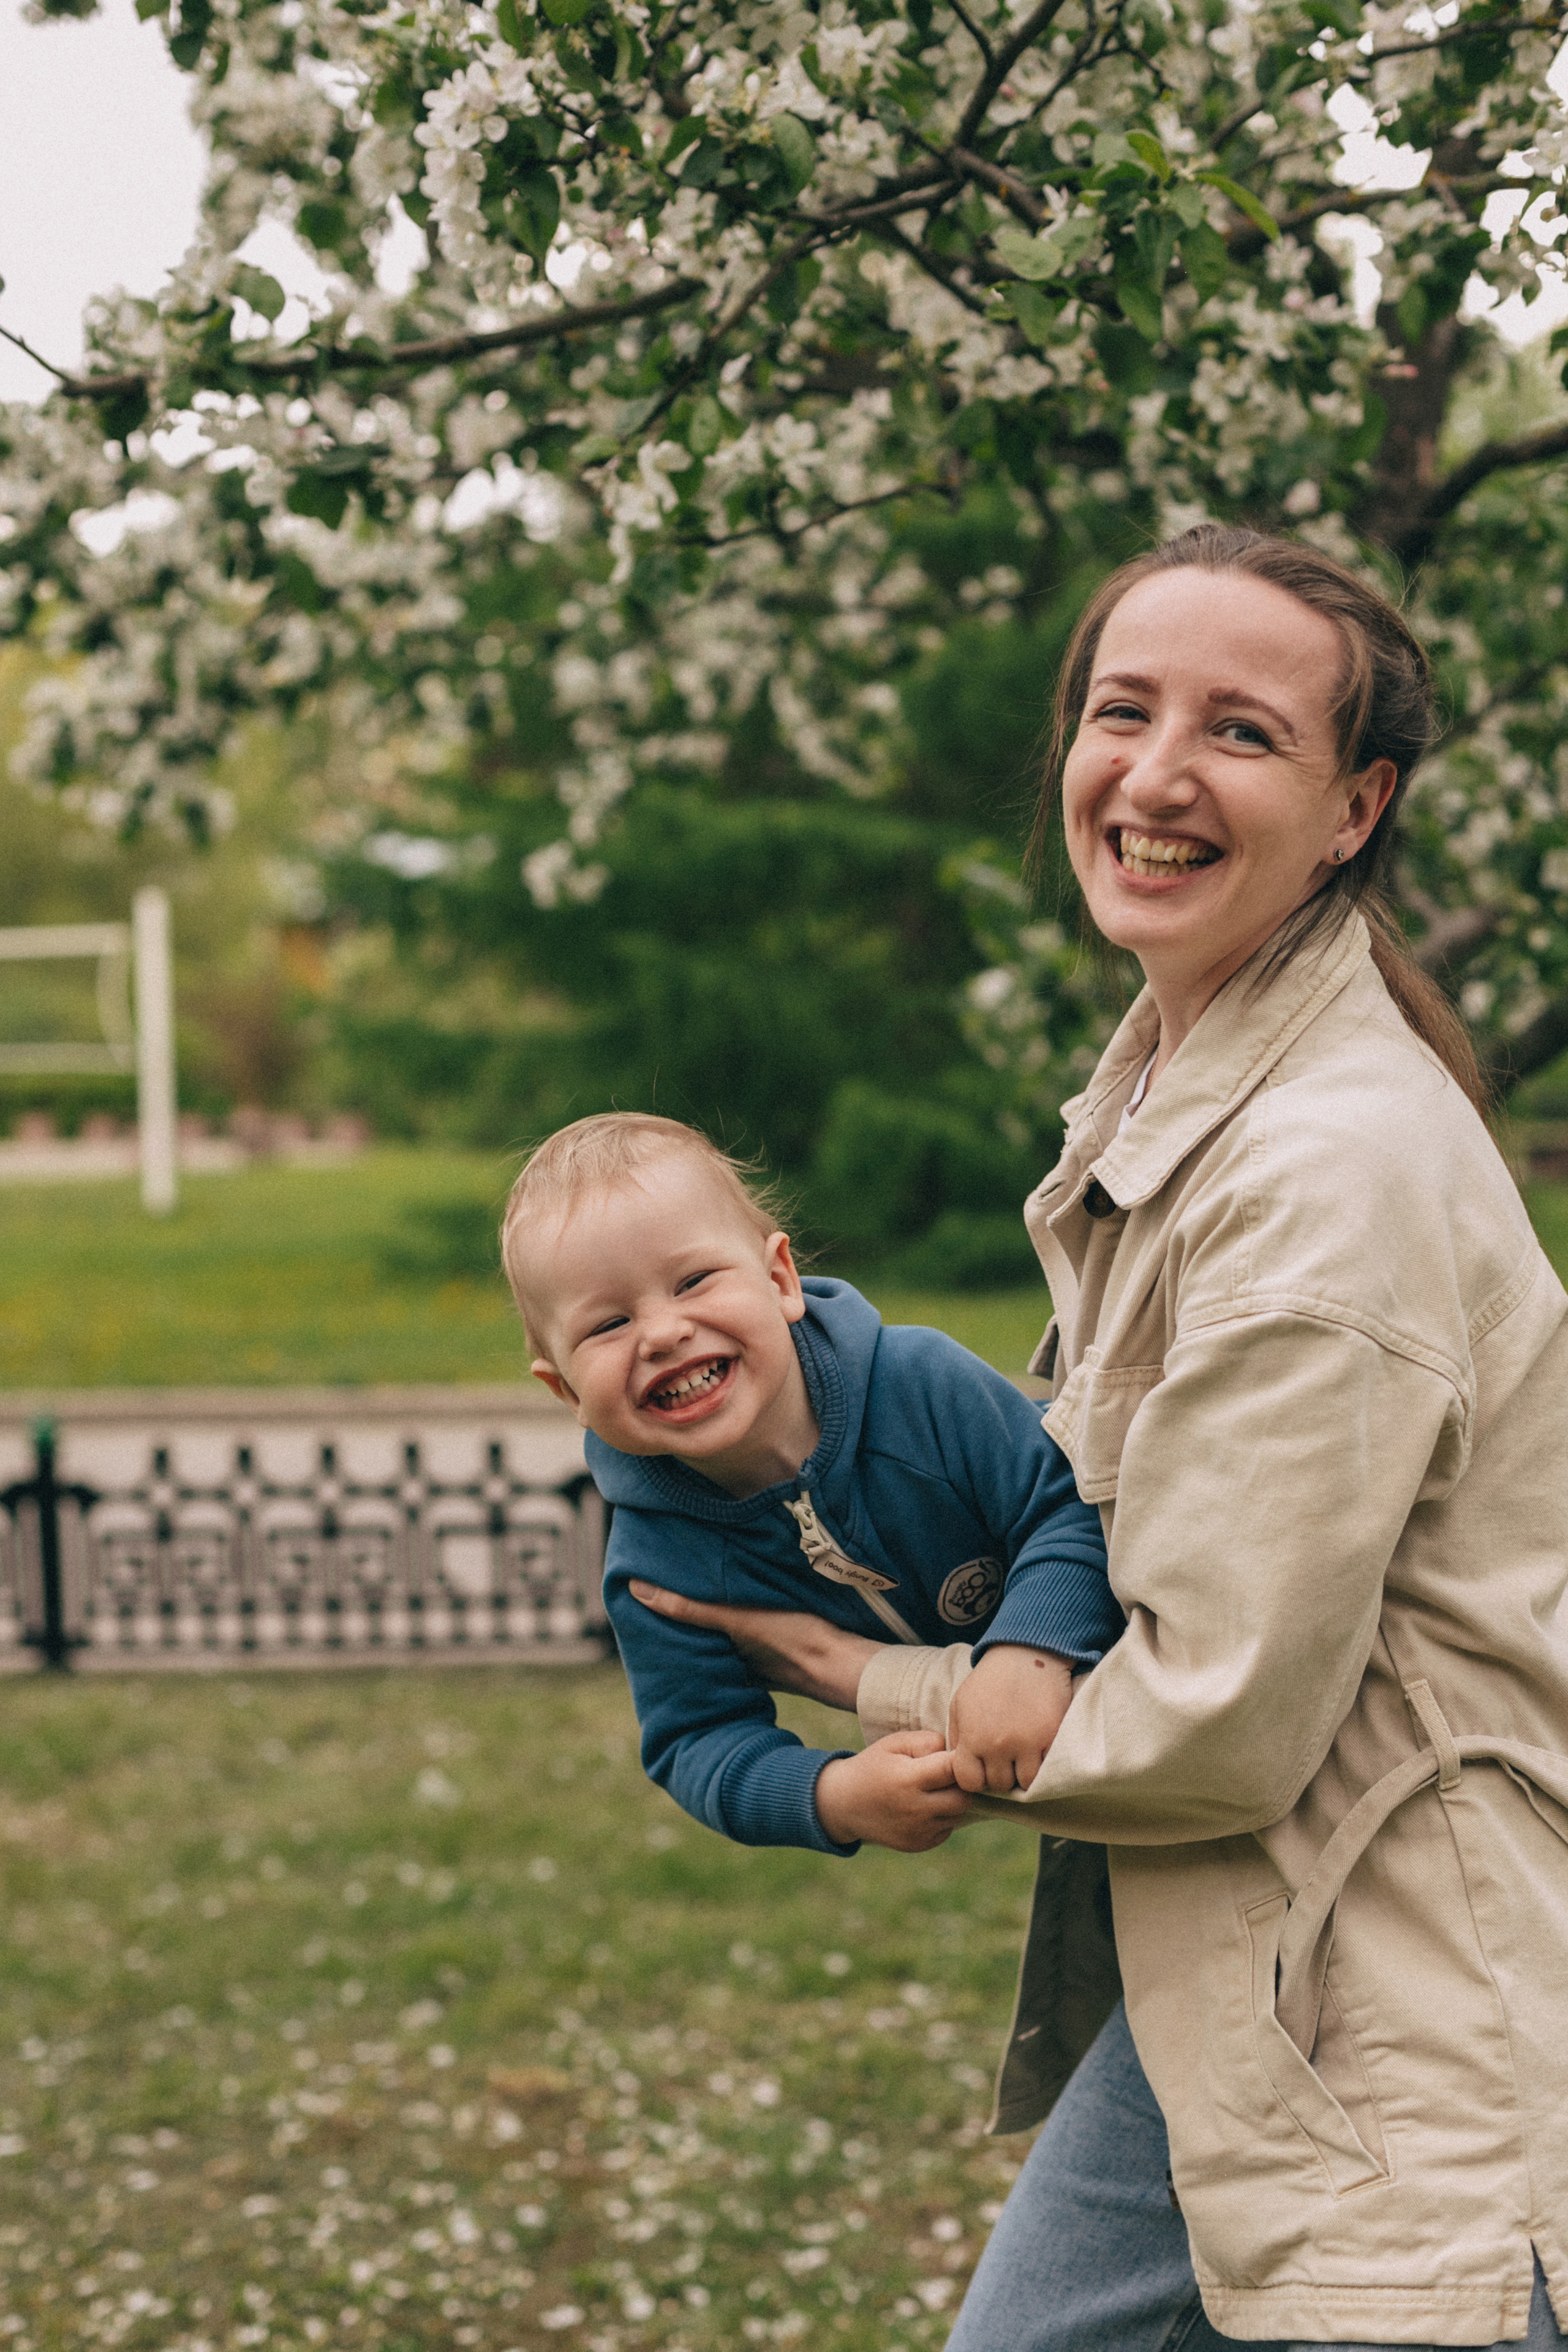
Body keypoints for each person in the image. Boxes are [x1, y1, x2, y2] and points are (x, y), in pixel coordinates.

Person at [630, 529, 1568, 2350]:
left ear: (1354, 803)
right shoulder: (1186, 1084)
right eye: (1119, 709)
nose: (1151, 774)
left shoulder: (1322, 1176)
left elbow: (1210, 1722)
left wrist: (866, 1679)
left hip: (1395, 1992)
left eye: (1238, 731)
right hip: (1235, 1954)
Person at [500, 1111, 1123, 1854]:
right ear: (566, 1392)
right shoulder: (656, 1559)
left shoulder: (921, 1388)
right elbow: (696, 1741)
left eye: (693, 1280)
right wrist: (831, 1798)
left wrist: (1031, 1649)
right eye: (607, 1325)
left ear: (780, 1279)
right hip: (1088, 1766)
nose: (663, 1332)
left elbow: (1072, 1500)